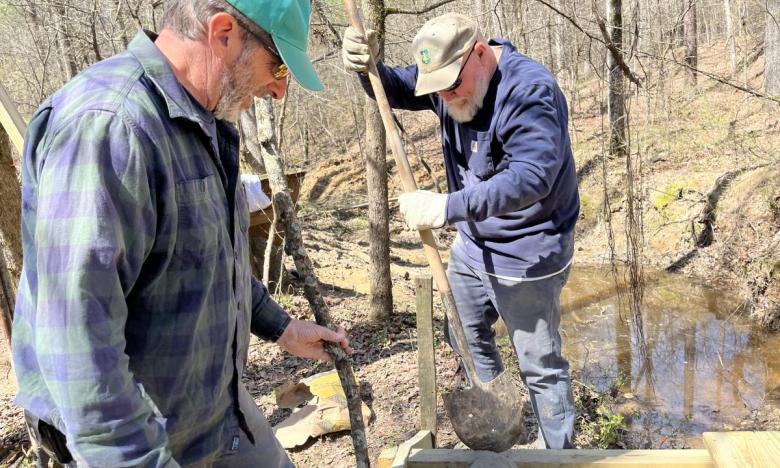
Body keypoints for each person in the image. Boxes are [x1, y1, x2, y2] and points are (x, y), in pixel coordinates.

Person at [11, 0, 351, 466]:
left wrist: (282, 327)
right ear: (223, 33)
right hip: (138, 438)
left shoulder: (203, 120)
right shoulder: (109, 127)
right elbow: (79, 346)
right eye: (277, 65)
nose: (278, 89)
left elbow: (210, 258)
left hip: (213, 413)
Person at [342, 13, 580, 449]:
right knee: (465, 335)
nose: (445, 96)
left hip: (528, 252)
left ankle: (559, 454)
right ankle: (499, 416)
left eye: (452, 85)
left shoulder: (529, 91)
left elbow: (532, 177)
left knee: (540, 365)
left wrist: (447, 207)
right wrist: (365, 67)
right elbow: (392, 87)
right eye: (437, 89)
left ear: (481, 53)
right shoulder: (447, 80)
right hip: (472, 246)